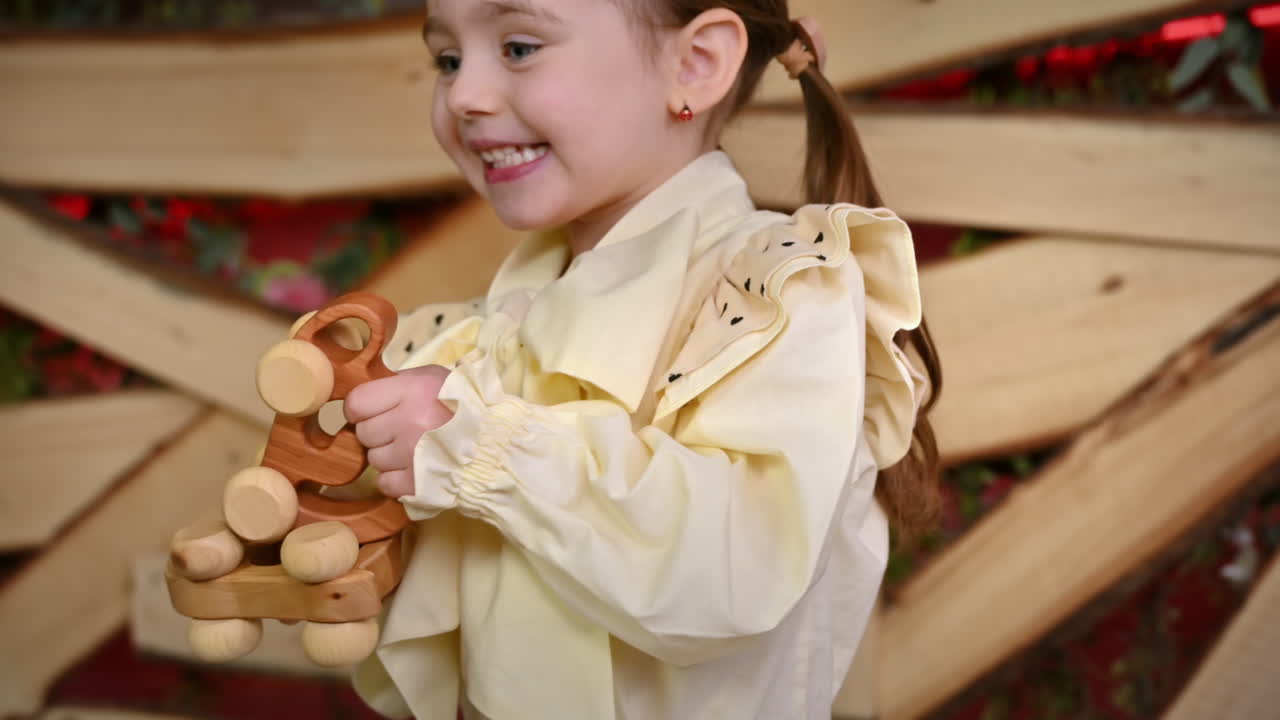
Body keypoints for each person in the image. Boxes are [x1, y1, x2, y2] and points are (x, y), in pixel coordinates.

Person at [344, 0, 941, 717]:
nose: (464, 95)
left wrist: (478, 446)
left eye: (520, 47)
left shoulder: (778, 300)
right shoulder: (500, 324)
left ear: (696, 65)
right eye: (447, 60)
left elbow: (733, 572)